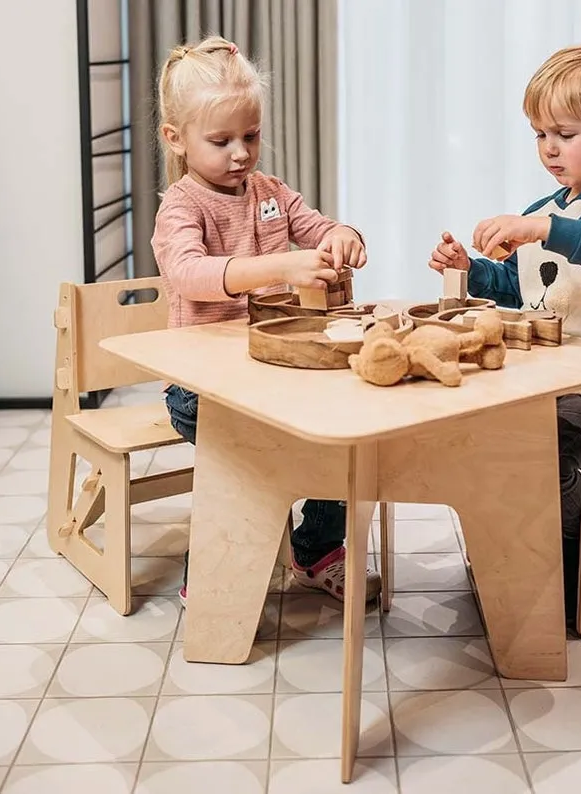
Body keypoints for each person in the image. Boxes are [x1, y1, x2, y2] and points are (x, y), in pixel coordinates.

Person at [428, 43, 581, 626]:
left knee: (547, 447)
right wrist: (469, 268)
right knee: (485, 432)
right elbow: (521, 287)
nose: (549, 149)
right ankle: (508, 551)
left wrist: (548, 227)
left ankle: (558, 581)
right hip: (552, 383)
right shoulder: (547, 208)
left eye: (564, 132)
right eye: (539, 135)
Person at [151, 36, 380, 606]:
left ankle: (319, 550)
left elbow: (316, 224)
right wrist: (280, 265)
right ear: (175, 139)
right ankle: (214, 565)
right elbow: (190, 275)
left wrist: (341, 236)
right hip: (201, 388)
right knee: (244, 462)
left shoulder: (271, 194)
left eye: (250, 136)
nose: (240, 153)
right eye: (221, 140)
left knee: (345, 434)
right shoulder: (181, 206)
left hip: (275, 369)